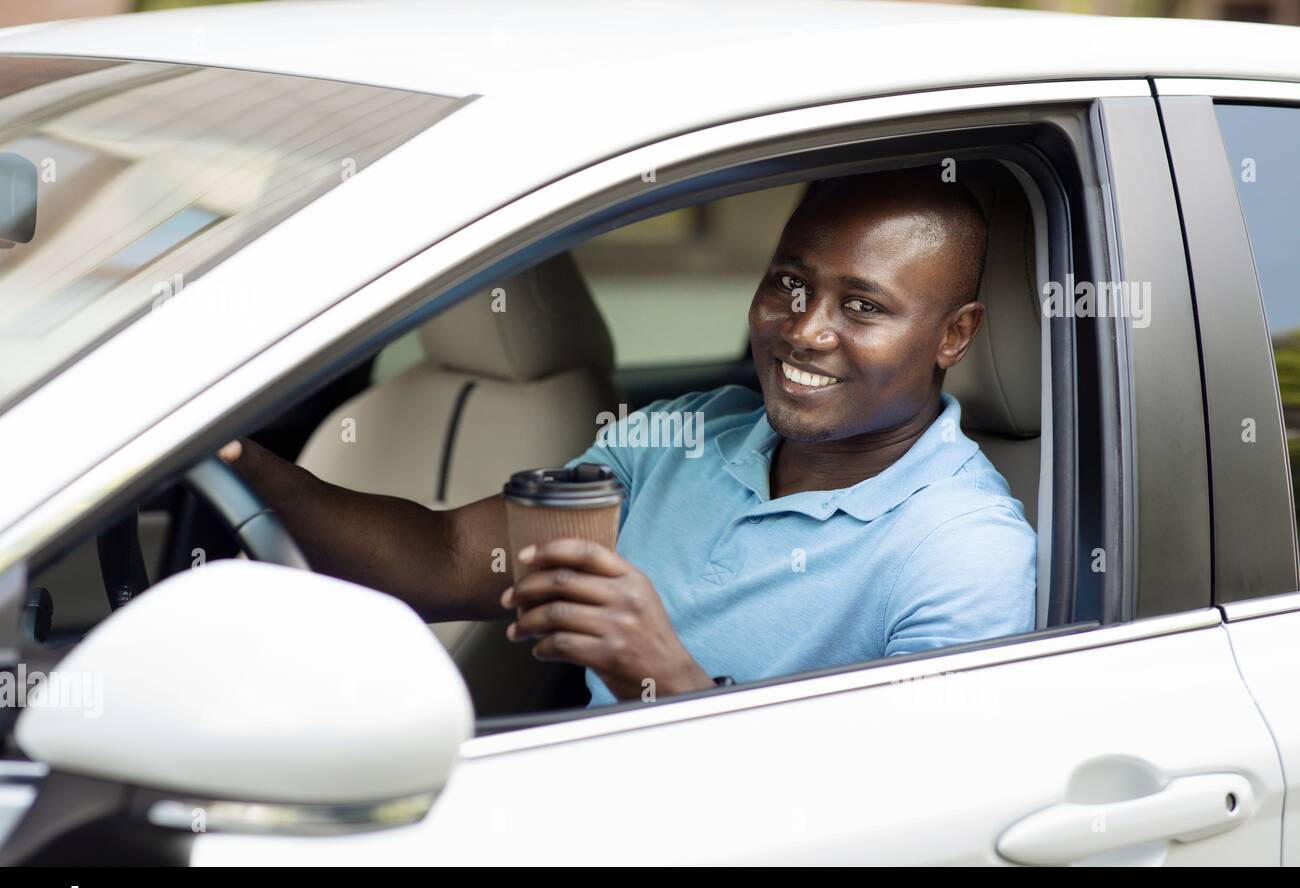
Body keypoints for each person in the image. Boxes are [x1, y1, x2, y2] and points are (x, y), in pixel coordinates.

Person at [221, 167, 1037, 707]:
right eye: (789, 283)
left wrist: (667, 678)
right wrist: (236, 464)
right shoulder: (677, 439)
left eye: (862, 306)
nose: (805, 330)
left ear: (955, 335)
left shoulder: (963, 552)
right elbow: (446, 558)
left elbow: (902, 818)